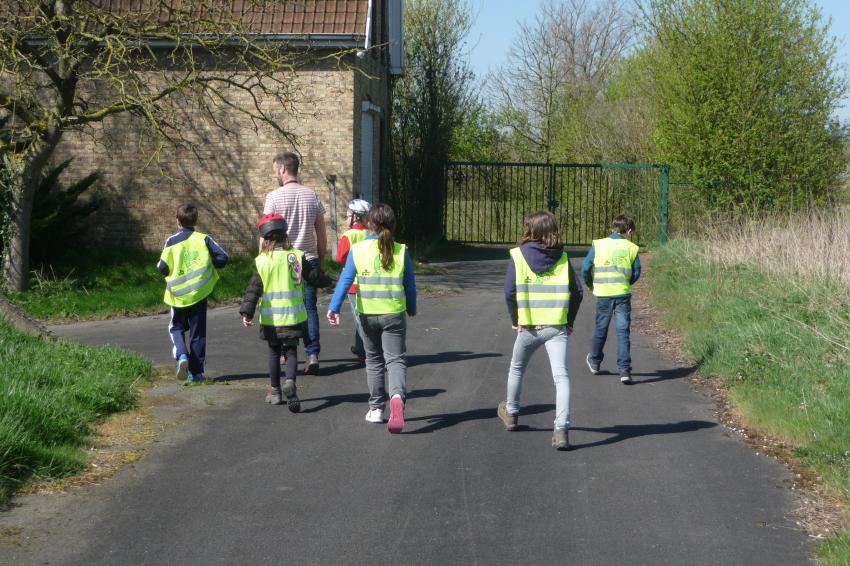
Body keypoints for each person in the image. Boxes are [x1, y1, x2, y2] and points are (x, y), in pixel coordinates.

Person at [326, 203, 416, 434]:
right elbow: (410, 284)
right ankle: (396, 397)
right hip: (394, 313)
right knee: (395, 360)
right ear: (393, 226)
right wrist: (412, 307)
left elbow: (345, 281)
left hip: (367, 314)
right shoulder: (401, 250)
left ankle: (376, 408)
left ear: (370, 224)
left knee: (374, 361)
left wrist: (334, 307)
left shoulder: (358, 250)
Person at [499, 211, 582, 451]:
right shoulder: (563, 258)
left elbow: (509, 292)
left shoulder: (518, 255)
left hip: (529, 327)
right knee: (561, 376)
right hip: (556, 326)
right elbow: (577, 292)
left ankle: (512, 413)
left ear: (530, 230)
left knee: (517, 368)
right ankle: (562, 429)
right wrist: (569, 320)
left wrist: (516, 319)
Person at [240, 214, 332, 411]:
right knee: (291, 352)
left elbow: (253, 289)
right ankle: (290, 382)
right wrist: (329, 281)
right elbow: (313, 277)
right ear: (285, 235)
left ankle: (275, 391)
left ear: (265, 238)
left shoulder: (263, 261)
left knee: (274, 353)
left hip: (272, 319)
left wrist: (247, 312)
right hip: (294, 317)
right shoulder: (297, 256)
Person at [263, 151, 327, 375]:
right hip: (308, 259)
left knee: (283, 307)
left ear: (282, 169)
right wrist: (321, 260)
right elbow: (320, 230)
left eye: (275, 171)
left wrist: (262, 260)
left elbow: (265, 232)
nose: (275, 175)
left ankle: (283, 352)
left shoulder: (273, 197)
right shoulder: (312, 196)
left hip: (281, 260)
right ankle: (312, 354)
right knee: (309, 308)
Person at [157, 203, 229, 383]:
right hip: (199, 293)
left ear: (177, 221)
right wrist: (207, 266)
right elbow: (223, 258)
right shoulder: (204, 239)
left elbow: (162, 267)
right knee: (198, 333)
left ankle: (182, 356)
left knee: (176, 328)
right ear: (195, 221)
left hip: (178, 295)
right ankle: (197, 373)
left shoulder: (171, 241)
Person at [581, 214, 641, 384]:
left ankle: (595, 362)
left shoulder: (599, 244)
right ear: (629, 231)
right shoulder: (632, 247)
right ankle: (624, 370)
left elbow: (586, 267)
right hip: (622, 294)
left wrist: (591, 283)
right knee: (623, 331)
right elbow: (636, 272)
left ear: (612, 228)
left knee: (601, 328)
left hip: (603, 293)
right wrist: (626, 282)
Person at [335, 198, 371, 363]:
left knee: (359, 320)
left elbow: (340, 258)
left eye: (348, 214)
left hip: (354, 284)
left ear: (355, 216)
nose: (346, 217)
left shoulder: (348, 235)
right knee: (364, 316)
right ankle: (360, 348)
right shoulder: (370, 233)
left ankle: (369, 353)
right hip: (369, 281)